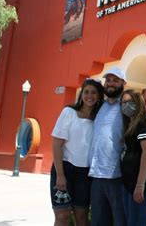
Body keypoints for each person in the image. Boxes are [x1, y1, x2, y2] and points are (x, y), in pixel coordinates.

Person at [88, 67, 146, 226]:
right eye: (108, 80)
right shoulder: (100, 105)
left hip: (117, 176)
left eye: (115, 80)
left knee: (121, 221)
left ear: (123, 83)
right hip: (96, 174)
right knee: (98, 221)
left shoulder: (129, 105)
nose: (111, 84)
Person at [50, 78, 104, 226]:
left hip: (85, 174)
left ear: (99, 95)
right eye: (86, 92)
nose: (89, 96)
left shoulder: (100, 118)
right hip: (64, 169)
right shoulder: (69, 112)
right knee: (62, 216)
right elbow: (56, 144)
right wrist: (60, 175)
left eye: (94, 92)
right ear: (81, 94)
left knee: (82, 217)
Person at [120, 89, 146, 226]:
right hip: (128, 182)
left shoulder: (143, 123)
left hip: (142, 184)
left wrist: (140, 184)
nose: (126, 105)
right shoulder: (130, 124)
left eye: (130, 102)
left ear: (138, 103)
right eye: (123, 102)